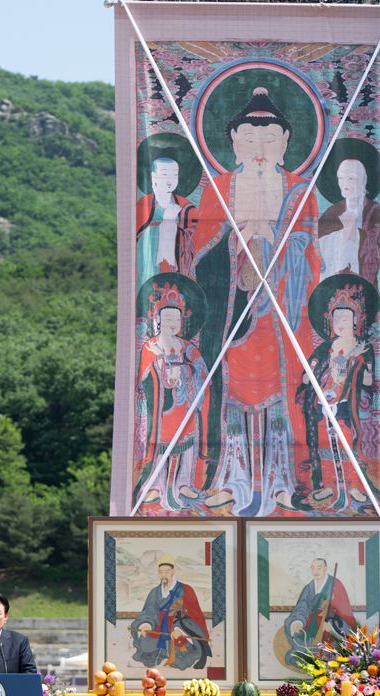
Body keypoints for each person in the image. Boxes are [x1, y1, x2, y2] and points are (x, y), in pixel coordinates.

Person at [189, 86, 322, 515]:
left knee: (281, 397)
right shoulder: (218, 187)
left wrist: (281, 245)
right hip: (233, 311)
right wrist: (234, 237)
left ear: (285, 143)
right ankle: (231, 477)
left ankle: (283, 479)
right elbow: (200, 252)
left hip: (282, 309)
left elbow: (310, 249)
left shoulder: (301, 189)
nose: (259, 148)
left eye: (269, 139)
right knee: (231, 393)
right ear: (232, 143)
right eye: (248, 138)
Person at [294, 274, 380, 510]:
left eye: (345, 317)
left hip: (346, 403)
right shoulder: (325, 347)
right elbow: (306, 376)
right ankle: (329, 486)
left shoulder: (363, 348)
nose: (340, 322)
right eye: (335, 318)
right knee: (323, 443)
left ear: (355, 319)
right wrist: (314, 371)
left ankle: (353, 486)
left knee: (346, 442)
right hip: (323, 403)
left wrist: (359, 361)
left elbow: (368, 381)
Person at [134, 282, 210, 509]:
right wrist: (162, 363)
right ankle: (156, 485)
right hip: (162, 405)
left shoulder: (185, 345)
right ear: (157, 320)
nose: (172, 324)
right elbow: (143, 375)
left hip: (183, 403)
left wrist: (187, 371)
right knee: (159, 444)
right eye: (167, 319)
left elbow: (203, 369)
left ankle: (182, 484)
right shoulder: (151, 345)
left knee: (186, 443)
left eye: (176, 320)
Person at [130, 554, 211, 670]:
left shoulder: (186, 590)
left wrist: (179, 629)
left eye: (167, 571)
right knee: (146, 643)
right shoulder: (155, 592)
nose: (163, 575)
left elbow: (193, 614)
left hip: (177, 628)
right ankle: (160, 652)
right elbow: (149, 610)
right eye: (161, 572)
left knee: (182, 650)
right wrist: (146, 625)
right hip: (158, 628)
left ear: (173, 571)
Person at [136, 157, 200, 289]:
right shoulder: (143, 205)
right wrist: (164, 224)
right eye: (164, 174)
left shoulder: (186, 207)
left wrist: (174, 228)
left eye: (174, 175)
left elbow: (193, 240)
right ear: (153, 177)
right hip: (151, 268)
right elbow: (136, 238)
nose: (170, 180)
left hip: (175, 268)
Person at [317, 158, 380, 284]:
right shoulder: (333, 212)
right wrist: (342, 234)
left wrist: (353, 231)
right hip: (335, 282)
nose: (345, 184)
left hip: (362, 283)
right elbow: (318, 245)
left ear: (363, 180)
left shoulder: (374, 211)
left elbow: (375, 248)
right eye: (341, 178)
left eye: (351, 178)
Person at [282, 557, 357, 666]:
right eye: (313, 568)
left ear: (325, 568)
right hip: (310, 626)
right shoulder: (309, 587)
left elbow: (343, 611)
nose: (315, 571)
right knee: (292, 653)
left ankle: (322, 655)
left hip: (329, 629)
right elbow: (301, 607)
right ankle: (308, 653)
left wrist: (331, 625)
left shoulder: (336, 585)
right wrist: (297, 622)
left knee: (330, 654)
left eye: (319, 568)